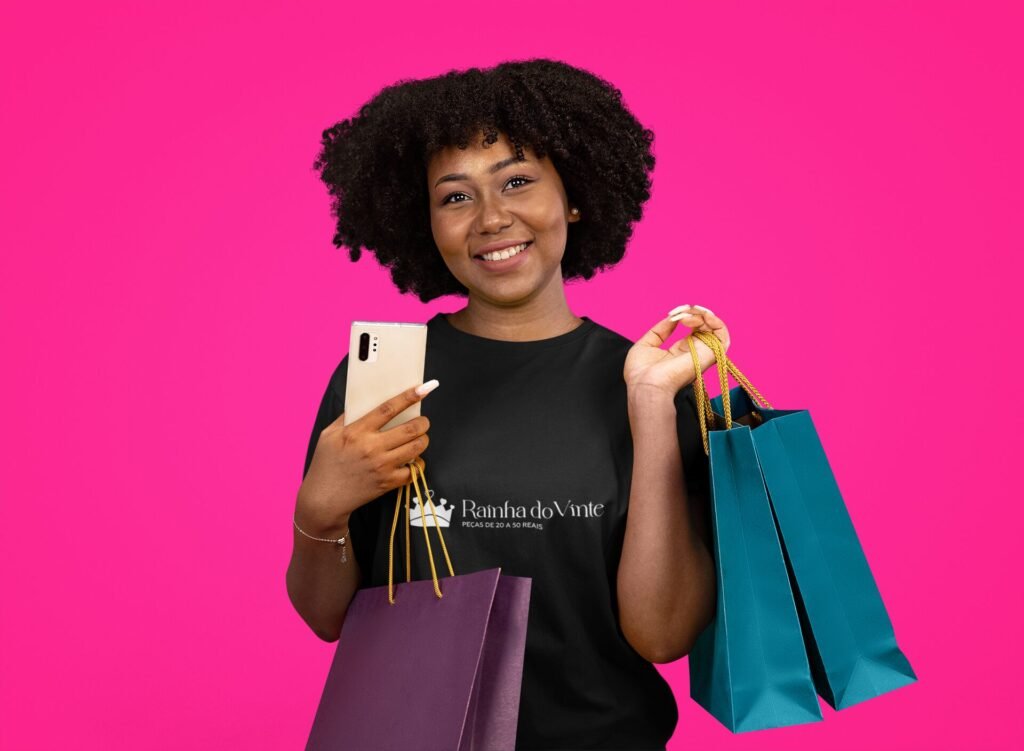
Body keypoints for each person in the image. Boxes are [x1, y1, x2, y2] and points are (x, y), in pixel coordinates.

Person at [286, 58, 732, 751]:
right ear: (425, 221)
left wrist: (648, 409)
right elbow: (327, 617)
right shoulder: (382, 379)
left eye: (517, 181)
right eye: (455, 197)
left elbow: (663, 633)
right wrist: (319, 510)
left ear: (574, 195)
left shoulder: (650, 381)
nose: (492, 218)